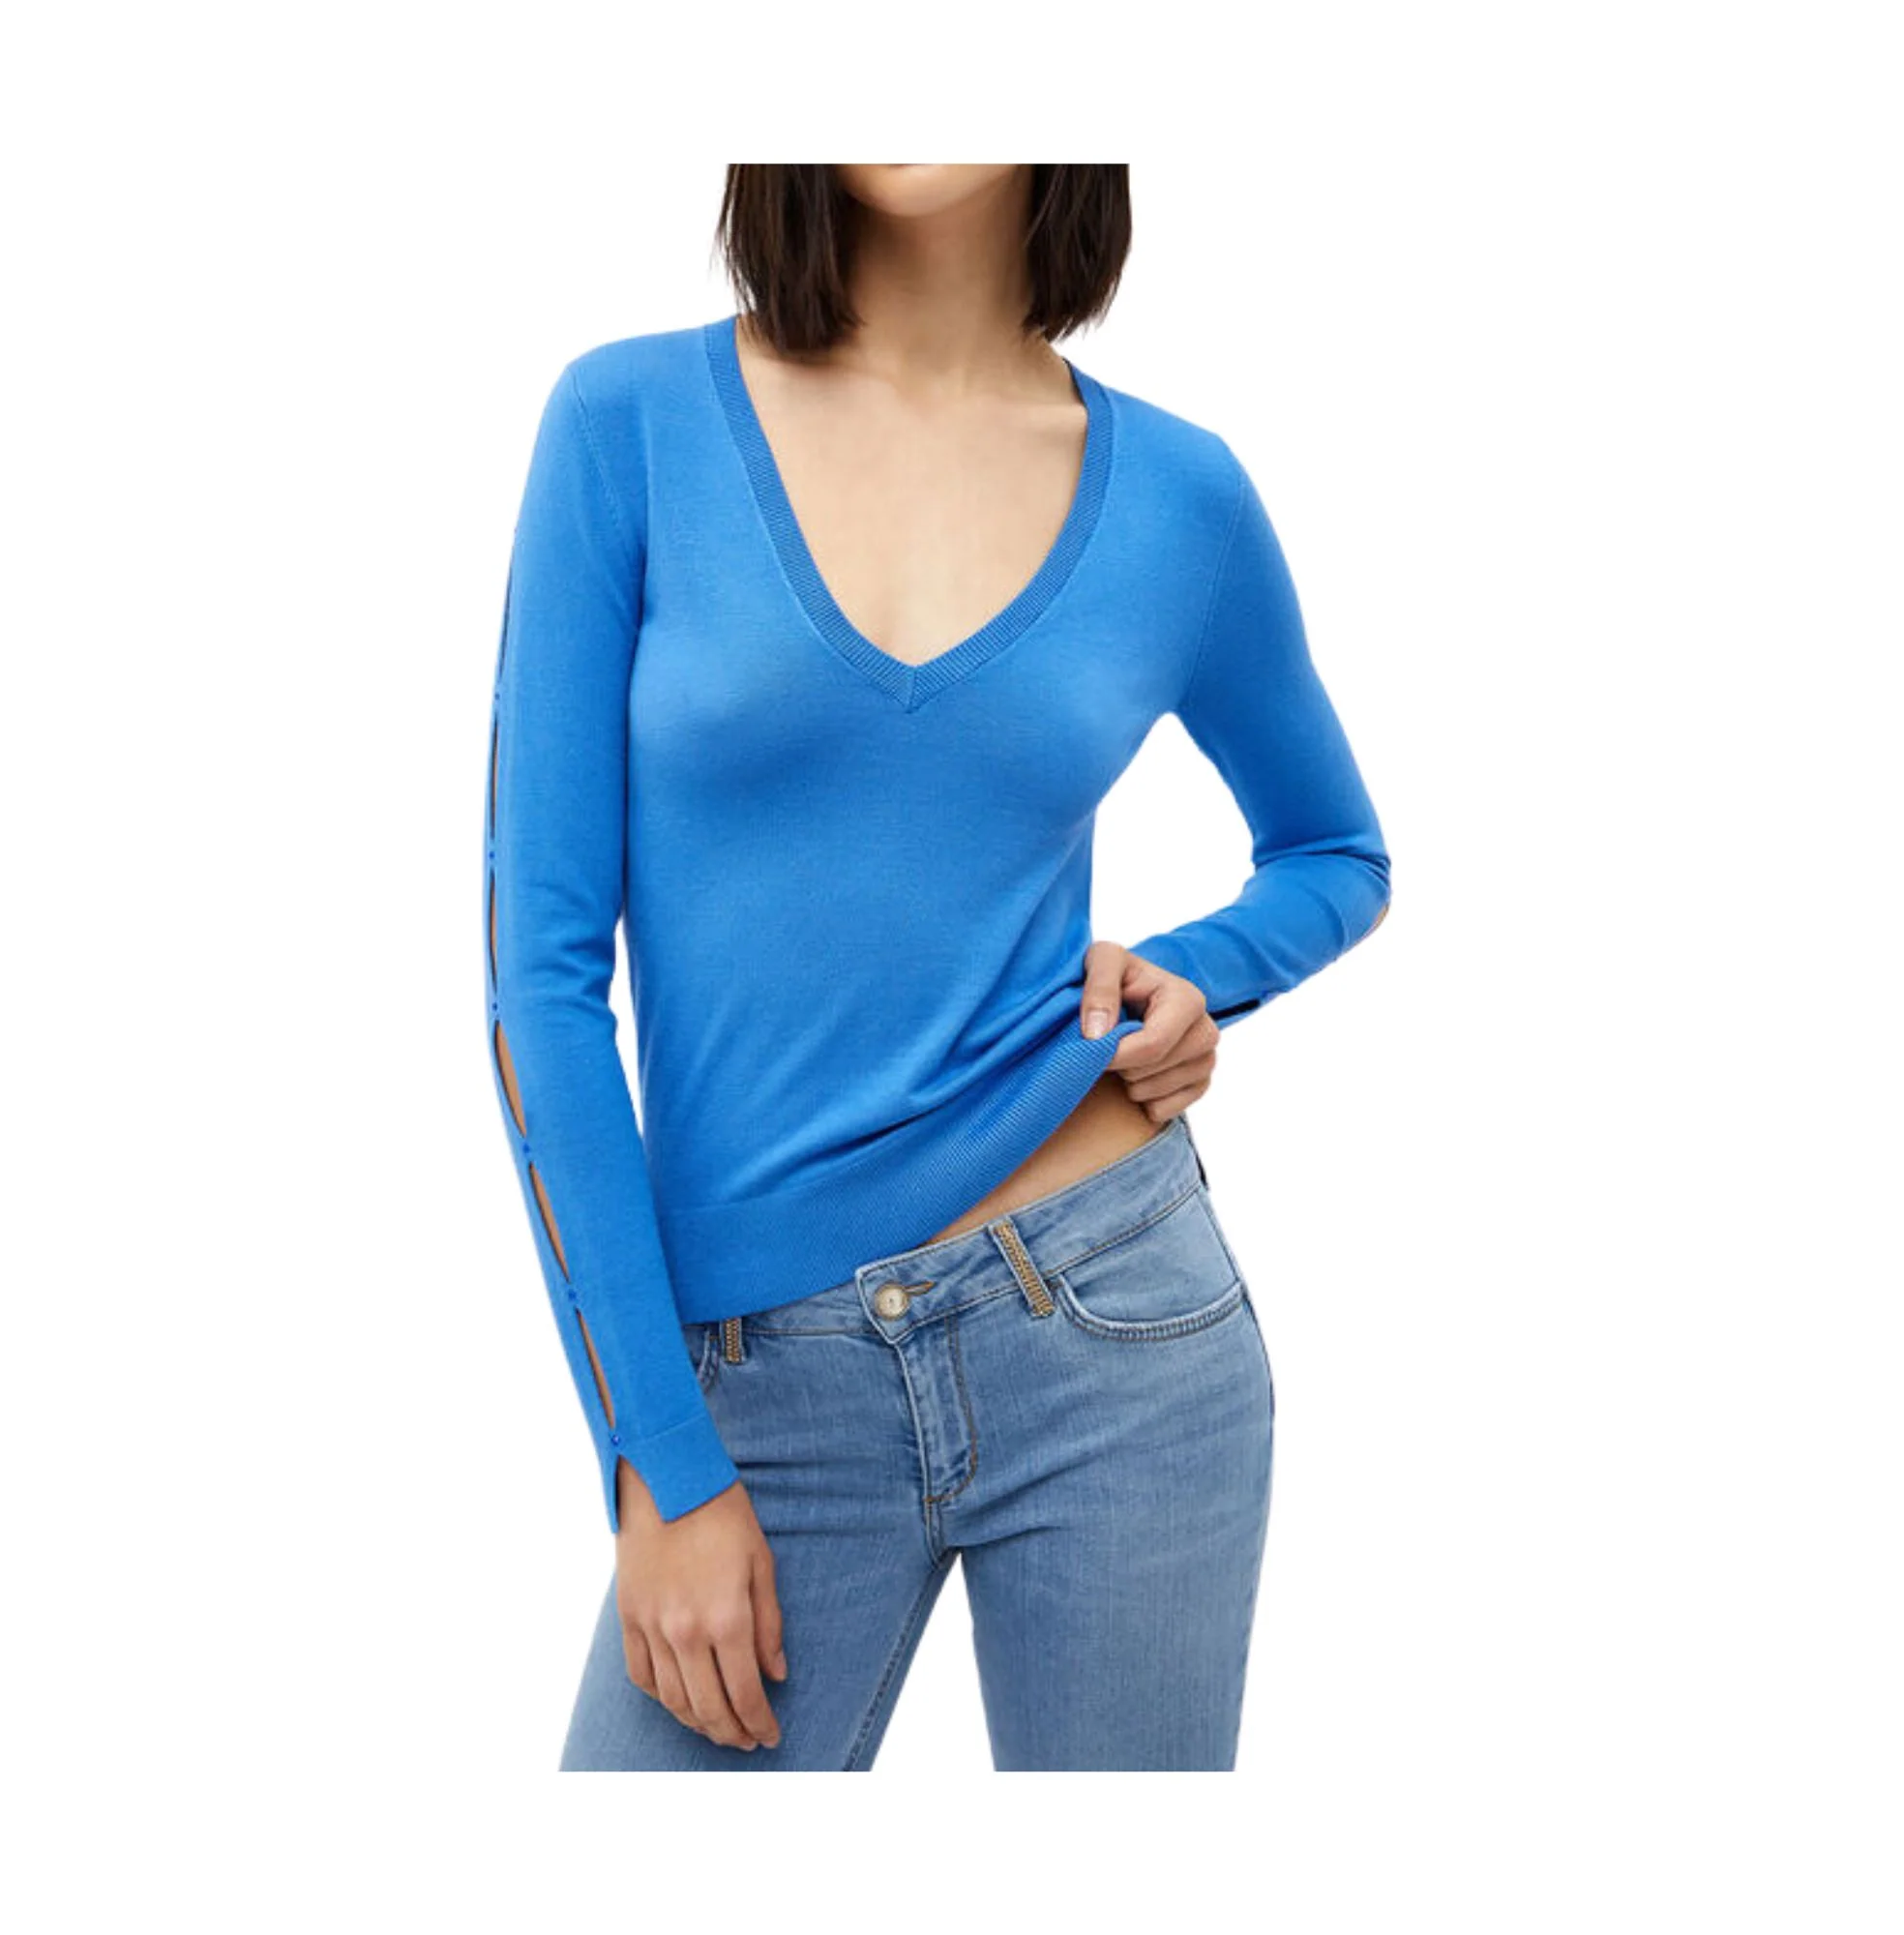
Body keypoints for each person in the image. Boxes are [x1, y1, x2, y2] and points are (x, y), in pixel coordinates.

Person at [482, 164, 1391, 1771]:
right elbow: (540, 988)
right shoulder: (627, 424)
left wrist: (1191, 972)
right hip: (755, 1385)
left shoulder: (1182, 498)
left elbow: (1334, 850)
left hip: (1119, 1326)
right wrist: (661, 1466)